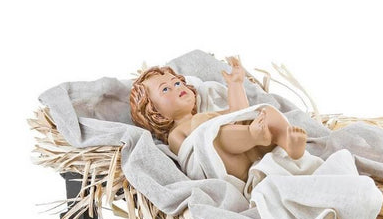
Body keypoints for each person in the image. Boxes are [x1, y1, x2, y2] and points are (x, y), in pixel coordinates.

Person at [129, 56, 307, 182]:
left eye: (177, 83)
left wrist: (235, 84)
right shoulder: (176, 134)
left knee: (265, 111)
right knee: (203, 127)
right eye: (165, 89)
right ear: (157, 113)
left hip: (252, 152)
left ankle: (289, 144)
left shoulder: (206, 115)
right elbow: (199, 154)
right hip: (230, 167)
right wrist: (208, 124)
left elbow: (238, 112)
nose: (177, 87)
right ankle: (253, 135)